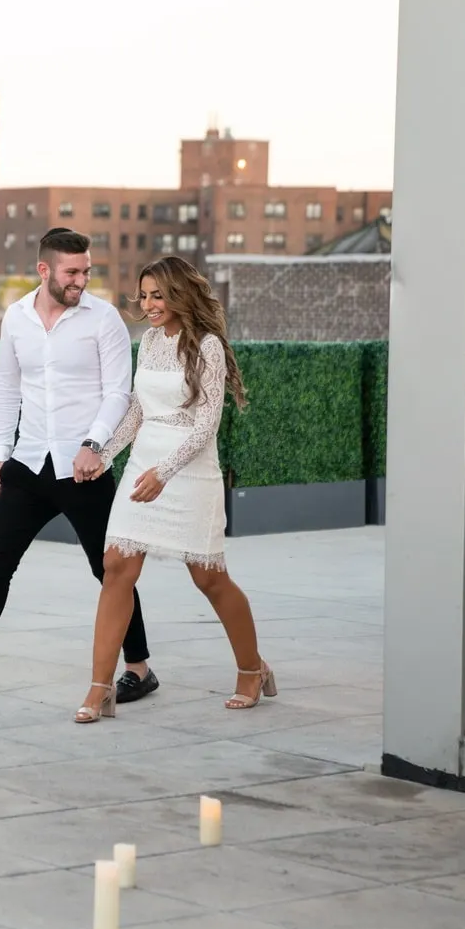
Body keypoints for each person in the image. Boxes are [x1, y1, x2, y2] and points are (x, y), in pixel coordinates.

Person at [0, 227, 157, 705]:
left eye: (86, 270)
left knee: (110, 571)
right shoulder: (16, 317)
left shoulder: (103, 320)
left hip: (85, 468)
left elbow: (118, 394)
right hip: (28, 462)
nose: (81, 279)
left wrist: (94, 445)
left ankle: (139, 669)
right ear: (44, 270)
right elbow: (6, 388)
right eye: (72, 271)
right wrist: (1, 453)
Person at [75, 255, 271, 722]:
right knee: (116, 565)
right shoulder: (148, 343)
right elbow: (140, 411)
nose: (149, 304)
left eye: (157, 295)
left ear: (180, 293)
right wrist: (103, 454)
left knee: (208, 577)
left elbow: (207, 425)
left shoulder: (206, 347)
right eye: (144, 296)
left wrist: (164, 472)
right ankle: (100, 688)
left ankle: (252, 670)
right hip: (144, 462)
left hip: (188, 471)